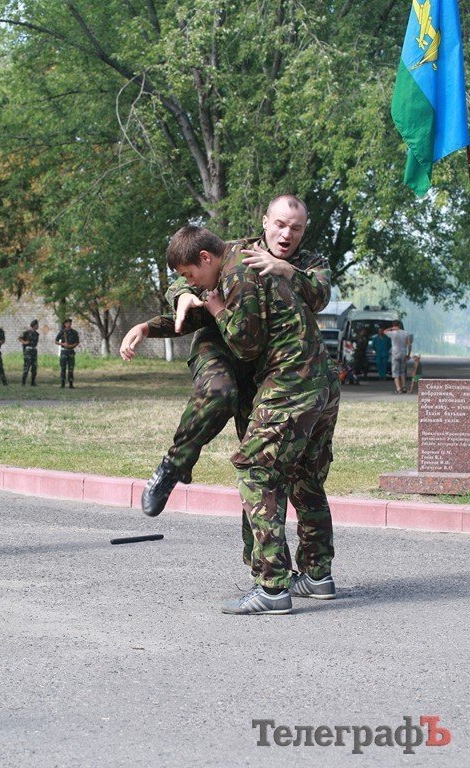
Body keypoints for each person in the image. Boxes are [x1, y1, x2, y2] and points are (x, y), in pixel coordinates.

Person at [121, 196, 337, 601]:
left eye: (296, 228)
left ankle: (271, 587)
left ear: (304, 230)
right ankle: (315, 577)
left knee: (259, 473)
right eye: (279, 225)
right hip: (307, 379)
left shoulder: (267, 267)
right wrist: (178, 298)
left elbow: (250, 341)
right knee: (297, 476)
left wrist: (278, 275)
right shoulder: (234, 252)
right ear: (265, 222)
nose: (286, 234)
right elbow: (190, 276)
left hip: (284, 379)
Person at [384, 320, 412, 394]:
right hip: (403, 352)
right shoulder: (406, 333)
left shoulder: (392, 333)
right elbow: (409, 344)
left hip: (395, 353)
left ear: (394, 325)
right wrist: (408, 354)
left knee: (395, 371)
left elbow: (384, 331)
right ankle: (404, 387)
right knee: (402, 371)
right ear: (400, 325)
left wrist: (391, 328)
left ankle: (398, 388)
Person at [55, 319, 79, 388]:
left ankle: (71, 383)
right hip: (64, 351)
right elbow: (56, 341)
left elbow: (77, 342)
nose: (69, 325)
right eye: (67, 323)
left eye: (70, 323)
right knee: (63, 367)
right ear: (65, 324)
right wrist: (63, 343)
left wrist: (71, 346)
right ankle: (62, 383)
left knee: (71, 368)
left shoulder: (74, 332)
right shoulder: (62, 332)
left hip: (71, 351)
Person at [19, 319, 39, 386]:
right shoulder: (27, 332)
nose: (37, 326)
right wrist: (24, 342)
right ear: (34, 325)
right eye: (37, 325)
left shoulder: (37, 334)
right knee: (27, 367)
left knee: (34, 367)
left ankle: (33, 382)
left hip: (34, 350)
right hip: (28, 350)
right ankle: (23, 382)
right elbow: (20, 338)